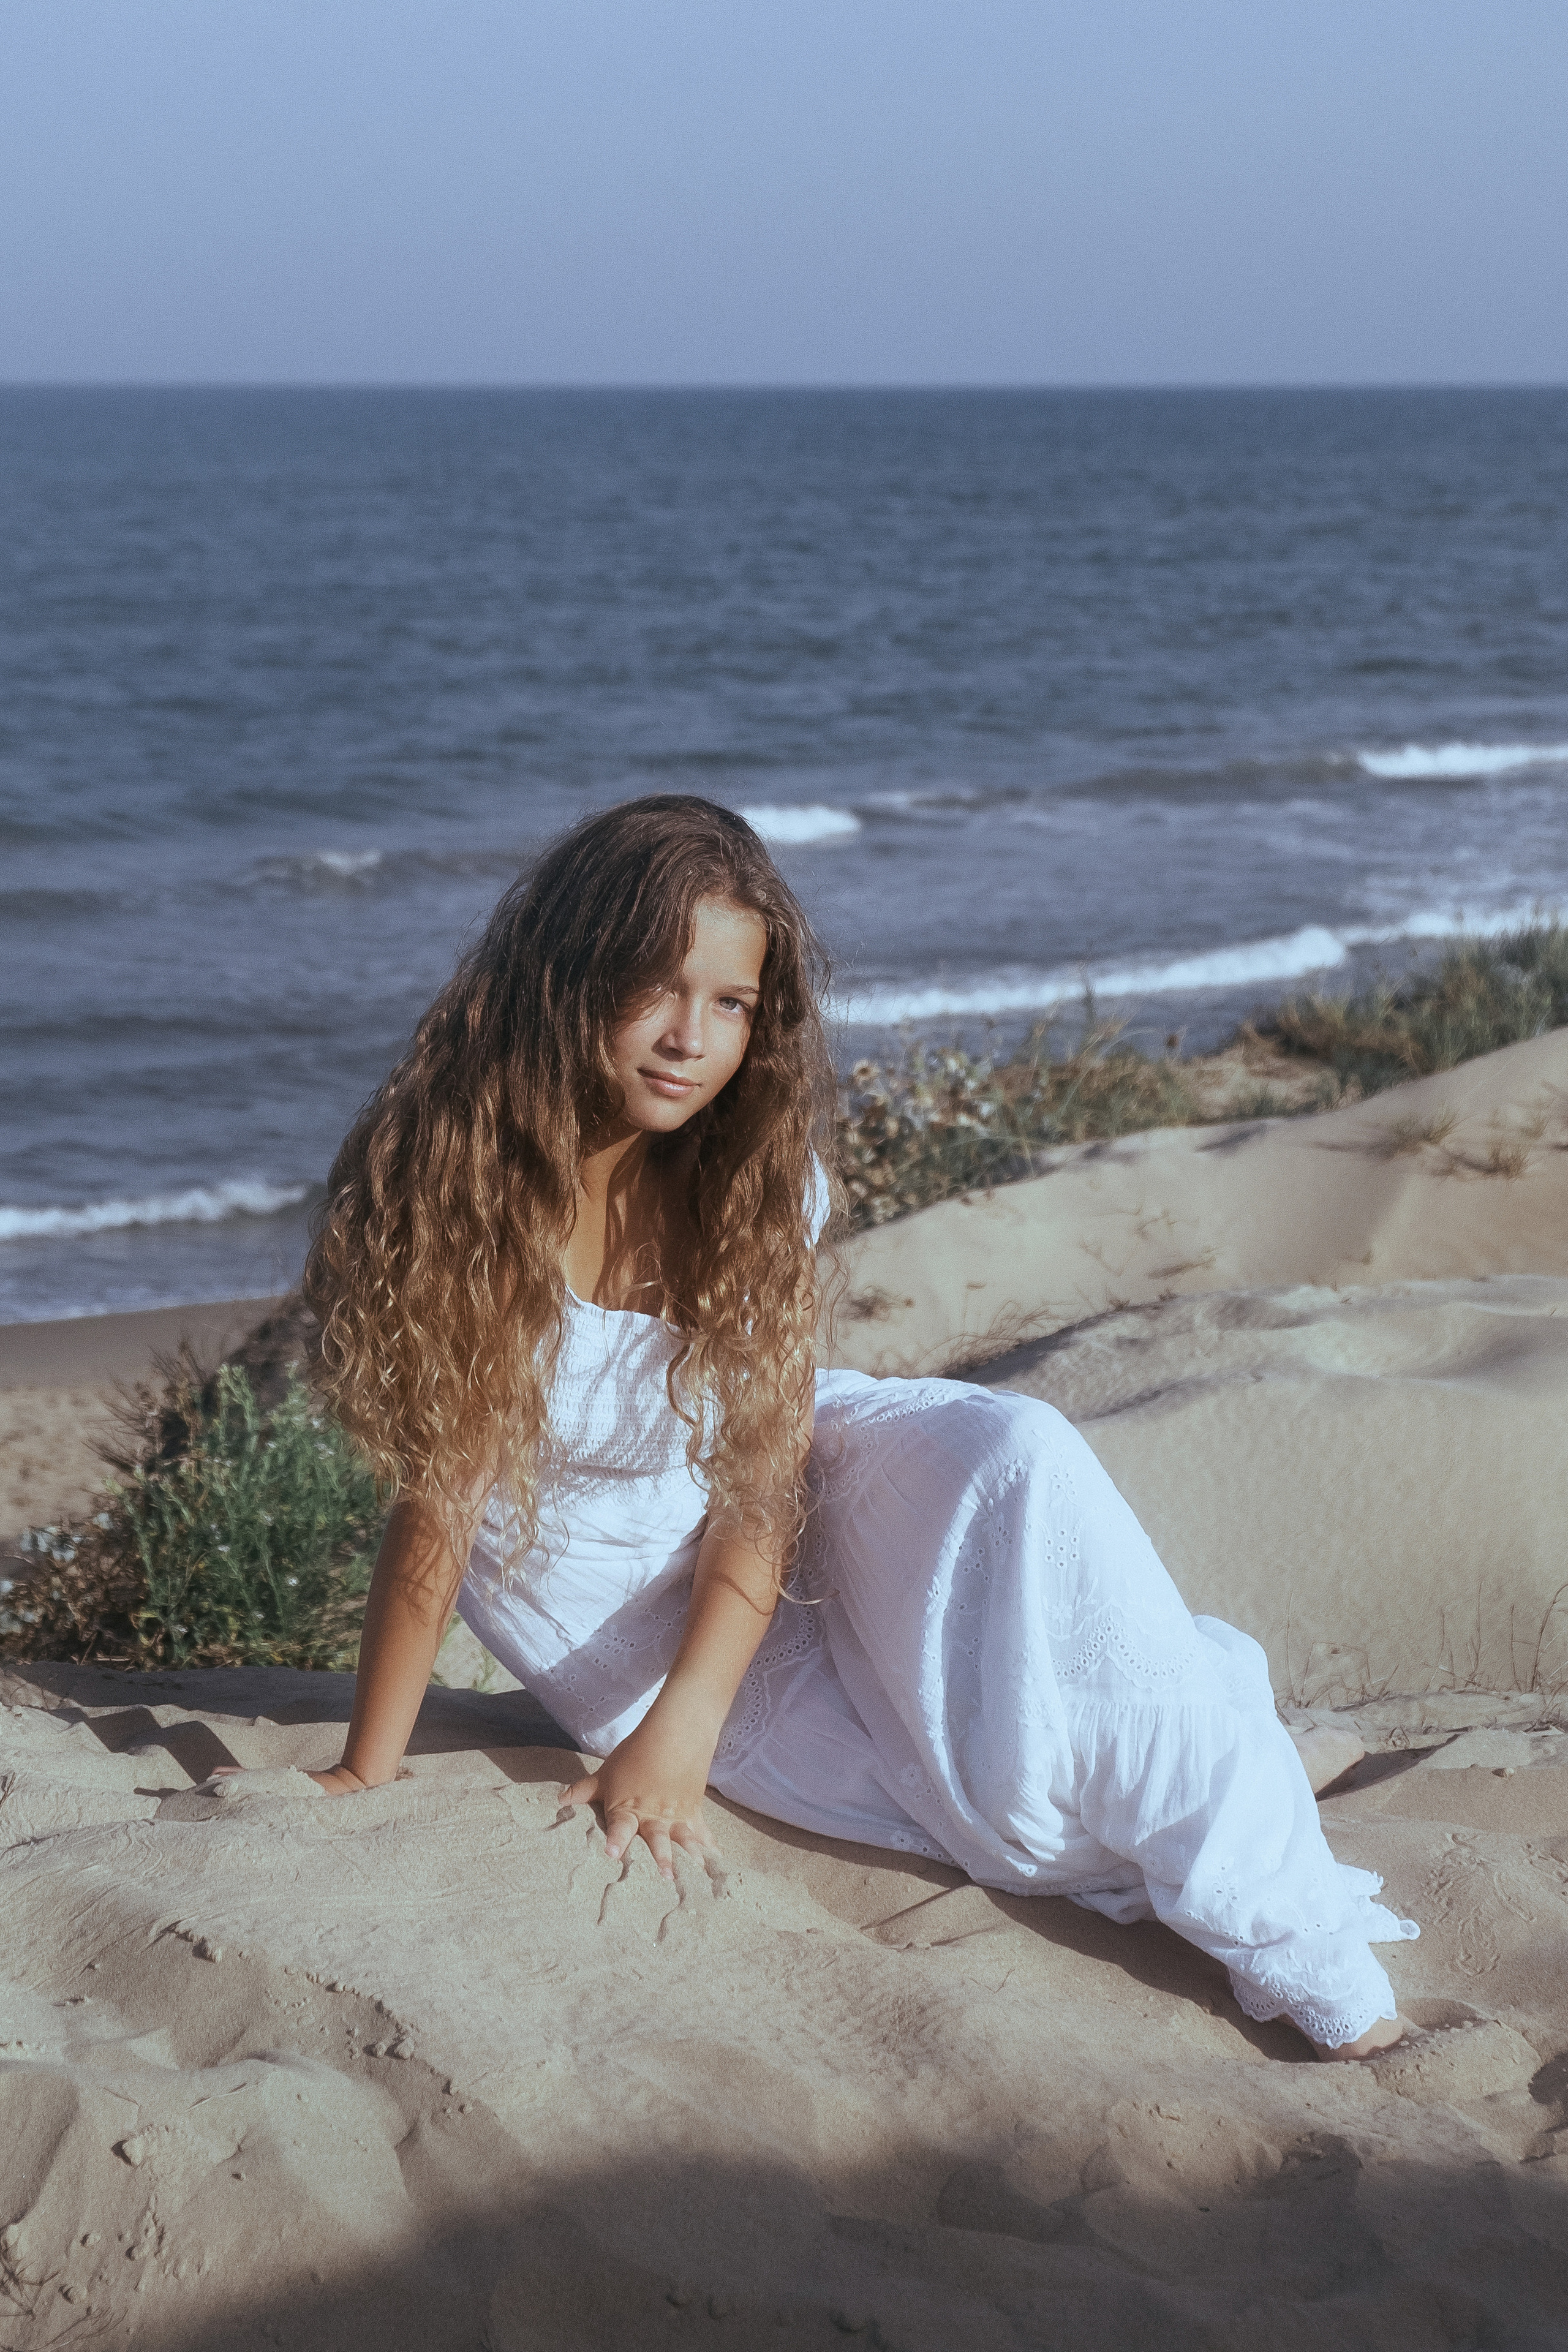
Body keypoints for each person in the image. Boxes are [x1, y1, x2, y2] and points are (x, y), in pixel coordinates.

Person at [296, 796, 1413, 2060]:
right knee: (1002, 1815)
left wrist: (688, 1724)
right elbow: (438, 1511)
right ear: (569, 978)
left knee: (1018, 1454)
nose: (688, 1039)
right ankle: (1227, 1764)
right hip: (615, 1601)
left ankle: (1301, 1942)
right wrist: (365, 1771)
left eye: (729, 1005)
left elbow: (760, 1485)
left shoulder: (746, 1182)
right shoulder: (460, 1188)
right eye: (655, 991)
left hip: (764, 1526)